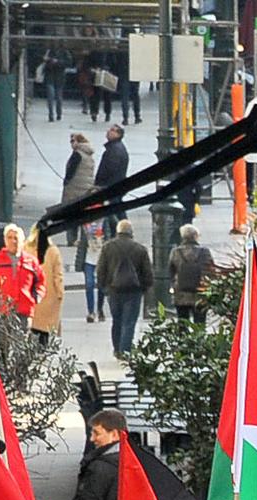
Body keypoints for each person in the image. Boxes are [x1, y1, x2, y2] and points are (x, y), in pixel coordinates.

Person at [94, 219, 150, 356]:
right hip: (133, 291)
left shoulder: (108, 247)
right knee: (129, 322)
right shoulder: (140, 249)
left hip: (114, 290)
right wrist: (144, 288)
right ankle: (125, 350)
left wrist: (105, 288)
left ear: (117, 231)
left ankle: (117, 348)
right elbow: (147, 272)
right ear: (131, 232)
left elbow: (100, 270)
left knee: (117, 320)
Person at [0, 224, 43, 319]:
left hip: (24, 311)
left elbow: (40, 281)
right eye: (9, 238)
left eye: (16, 238)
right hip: (1, 311)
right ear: (5, 240)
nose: (13, 241)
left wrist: (36, 296)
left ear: (22, 242)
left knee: (23, 333)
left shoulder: (31, 262)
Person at [168, 224, 212, 322]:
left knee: (182, 321)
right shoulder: (205, 252)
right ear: (196, 236)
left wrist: (173, 284)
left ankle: (183, 336)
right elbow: (211, 270)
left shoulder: (176, 252)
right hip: (200, 293)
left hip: (181, 294)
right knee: (200, 323)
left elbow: (171, 271)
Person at [94, 124, 129, 236]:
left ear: (118, 134)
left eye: (112, 130)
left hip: (111, 186)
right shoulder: (115, 148)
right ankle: (123, 230)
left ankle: (121, 231)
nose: (109, 131)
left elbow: (109, 169)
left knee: (113, 212)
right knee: (117, 210)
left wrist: (100, 184)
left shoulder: (115, 150)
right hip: (116, 186)